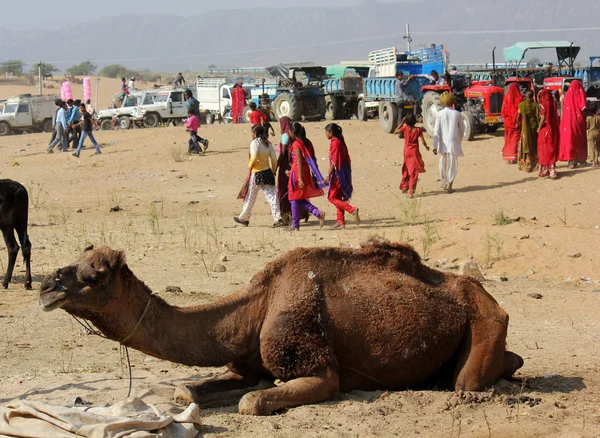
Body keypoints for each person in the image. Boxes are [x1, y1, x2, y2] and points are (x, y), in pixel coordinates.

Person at [234, 125, 283, 227]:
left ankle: (244, 218)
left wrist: (250, 165)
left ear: (255, 133)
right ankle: (278, 218)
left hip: (256, 173)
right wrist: (274, 170)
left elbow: (255, 155)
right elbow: (274, 159)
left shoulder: (255, 143)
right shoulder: (268, 144)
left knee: (250, 197)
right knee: (272, 197)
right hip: (268, 173)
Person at [286, 122, 327, 231]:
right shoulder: (307, 142)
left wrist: (299, 178)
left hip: (298, 172)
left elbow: (299, 161)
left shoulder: (296, 144)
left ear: (293, 132)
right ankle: (317, 213)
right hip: (304, 171)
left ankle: (295, 225)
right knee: (299, 197)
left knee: (293, 198)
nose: (289, 134)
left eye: (289, 131)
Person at [325, 123, 360, 228]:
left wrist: (328, 174)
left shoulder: (335, 144)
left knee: (331, 197)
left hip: (338, 175)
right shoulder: (340, 143)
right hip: (342, 174)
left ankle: (351, 209)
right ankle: (340, 221)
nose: (326, 134)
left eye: (326, 132)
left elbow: (334, 161)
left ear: (331, 133)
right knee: (338, 197)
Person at [433, 92, 464, 193]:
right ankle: (450, 185)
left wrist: (435, 145)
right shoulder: (457, 114)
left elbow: (436, 131)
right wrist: (459, 140)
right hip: (454, 141)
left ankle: (444, 181)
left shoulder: (439, 114)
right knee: (452, 164)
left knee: (443, 162)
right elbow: (462, 129)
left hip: (443, 142)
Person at [394, 113, 430, 197]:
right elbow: (423, 141)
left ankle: (404, 187)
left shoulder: (405, 128)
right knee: (413, 172)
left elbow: (395, 131)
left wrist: (402, 122)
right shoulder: (418, 130)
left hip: (406, 152)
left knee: (406, 169)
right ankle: (411, 191)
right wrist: (426, 147)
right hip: (414, 152)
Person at [558, 80, 588, 168]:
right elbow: (583, 106)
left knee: (569, 139)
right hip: (577, 121)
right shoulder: (578, 91)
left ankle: (571, 161)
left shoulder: (567, 96)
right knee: (579, 139)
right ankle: (580, 159)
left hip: (566, 122)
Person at [537, 89, 560, 179]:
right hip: (553, 129)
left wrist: (539, 127)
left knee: (544, 149)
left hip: (545, 130)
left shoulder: (543, 105)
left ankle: (544, 170)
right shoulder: (553, 103)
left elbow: (543, 117)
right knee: (551, 148)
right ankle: (552, 170)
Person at [516, 90, 539, 172]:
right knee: (533, 144)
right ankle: (535, 162)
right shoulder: (535, 105)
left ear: (526, 96)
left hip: (525, 128)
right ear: (532, 96)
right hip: (534, 127)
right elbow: (538, 116)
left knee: (526, 144)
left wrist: (517, 124)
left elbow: (518, 116)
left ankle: (527, 163)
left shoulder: (521, 105)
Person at [501, 83, 523, 164]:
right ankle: (513, 156)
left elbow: (503, 111)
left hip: (508, 122)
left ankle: (507, 156)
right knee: (515, 139)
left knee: (508, 138)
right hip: (516, 122)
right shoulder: (520, 98)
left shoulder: (506, 97)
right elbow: (520, 112)